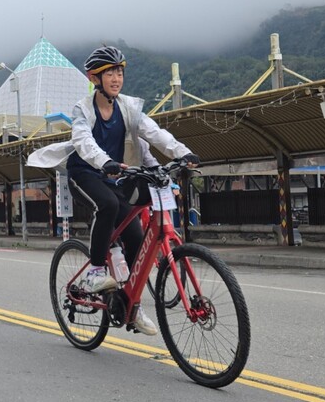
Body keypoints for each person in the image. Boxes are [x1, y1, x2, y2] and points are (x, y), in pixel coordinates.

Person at [28, 46, 199, 336]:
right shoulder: (84, 109)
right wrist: (104, 161)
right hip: (85, 172)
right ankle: (95, 270)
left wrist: (183, 152)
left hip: (114, 176)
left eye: (119, 72)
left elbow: (154, 133)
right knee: (107, 205)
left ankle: (131, 303)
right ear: (95, 78)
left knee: (136, 238)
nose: (116, 78)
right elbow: (83, 140)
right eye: (109, 73)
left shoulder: (129, 108)